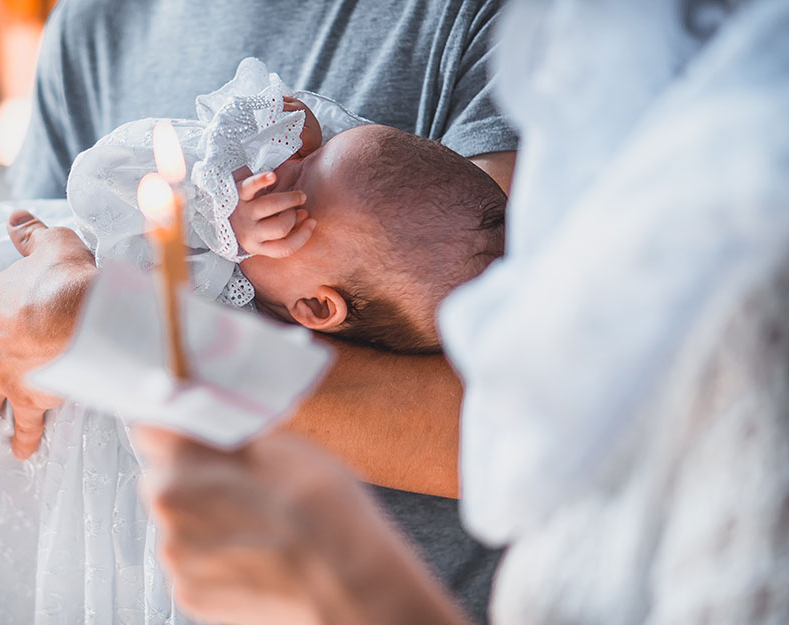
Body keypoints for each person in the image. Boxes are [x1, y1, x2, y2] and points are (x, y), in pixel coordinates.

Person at [134, 0, 789, 623]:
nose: (282, 171)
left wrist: (350, 584)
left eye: (302, 186)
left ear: (319, 307)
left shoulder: (742, 268)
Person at [0, 59, 506, 623]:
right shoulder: (100, 38)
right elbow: (77, 202)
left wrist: (101, 322)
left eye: (295, 201)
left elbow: (497, 416)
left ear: (318, 306)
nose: (272, 178)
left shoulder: (245, 316)